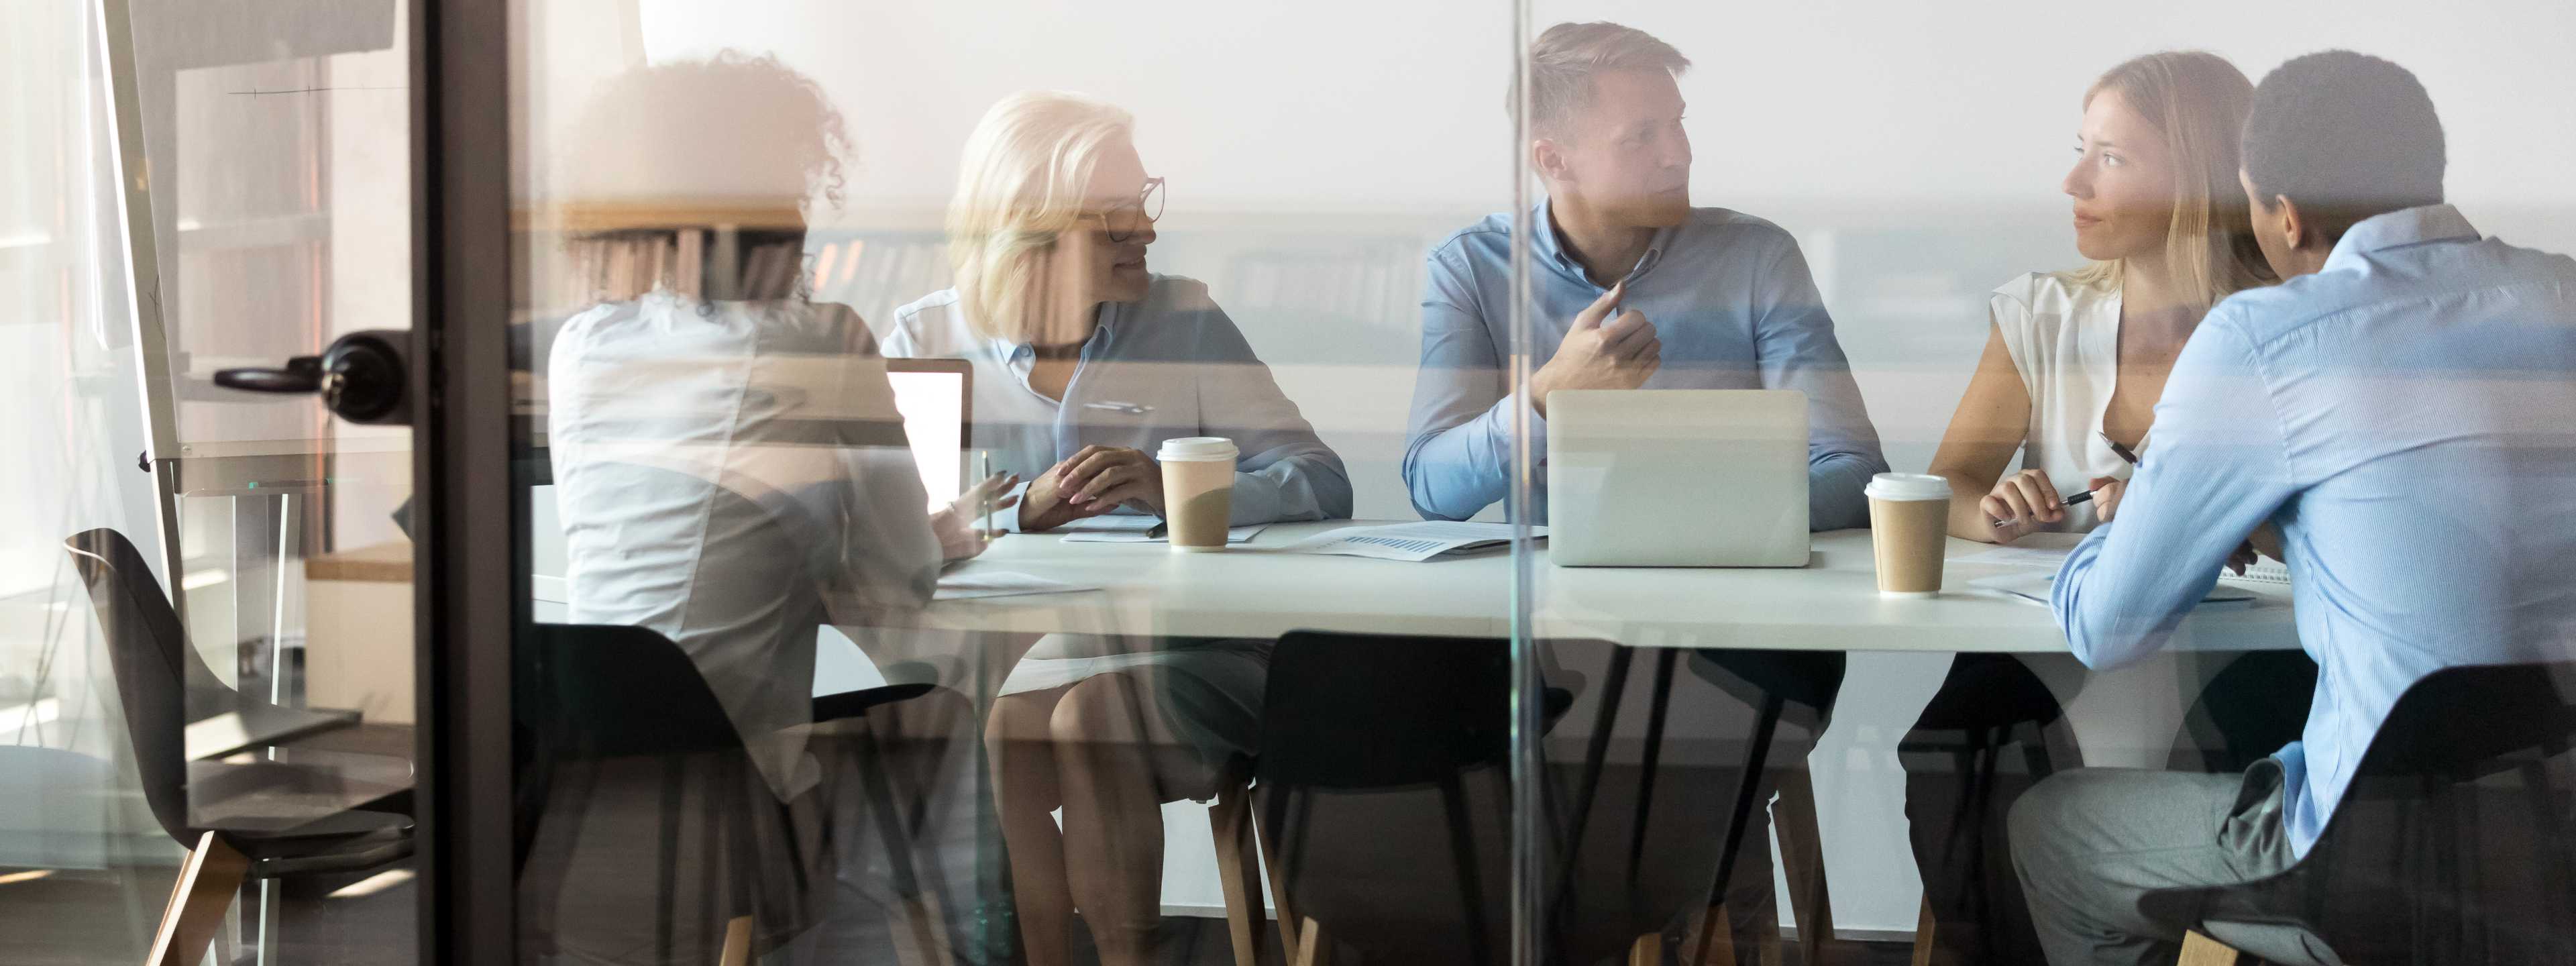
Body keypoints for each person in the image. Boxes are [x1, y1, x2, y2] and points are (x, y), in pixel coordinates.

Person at [2010, 50, 2576, 966]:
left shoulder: (2270, 336)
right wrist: (2291, 525)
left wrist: (2125, 525)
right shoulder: (2562, 292)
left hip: (2374, 849)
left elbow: (2108, 630)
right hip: (2548, 837)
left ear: (2288, 214)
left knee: (2054, 827)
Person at [1402, 21, 1886, 959]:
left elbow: (1853, 467)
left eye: (1679, 124)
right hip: (1554, 634)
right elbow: (1432, 484)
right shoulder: (1470, 269)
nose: (1682, 152)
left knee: (1653, 738)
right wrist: (1548, 397)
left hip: (1741, 635)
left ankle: (1684, 934)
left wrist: (1676, 508)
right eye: (1644, 136)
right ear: (1553, 159)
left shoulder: (1757, 257)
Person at [541, 54, 1003, 963]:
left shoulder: (582, 345)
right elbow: (896, 576)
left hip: (586, 761)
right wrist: (936, 539)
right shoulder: (821, 337)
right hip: (727, 774)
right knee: (939, 713)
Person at [884, 91, 1350, 966]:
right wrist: (1019, 510)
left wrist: (1179, 493)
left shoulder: (1185, 319)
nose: (1146, 231)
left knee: (1085, 717)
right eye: (1115, 220)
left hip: (1196, 647)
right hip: (1035, 649)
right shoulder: (927, 335)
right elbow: (898, 530)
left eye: (1146, 202)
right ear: (1032, 231)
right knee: (1010, 729)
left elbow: (1320, 479)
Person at [1908, 51, 2282, 965]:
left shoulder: (2289, 326)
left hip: (2247, 658)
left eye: (2109, 158)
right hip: (2056, 644)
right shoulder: (2040, 314)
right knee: (1929, 749)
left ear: (2193, 178)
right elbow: (1946, 482)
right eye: (2082, 151)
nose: (2073, 180)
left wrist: (2195, 516)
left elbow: (2333, 520)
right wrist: (1991, 508)